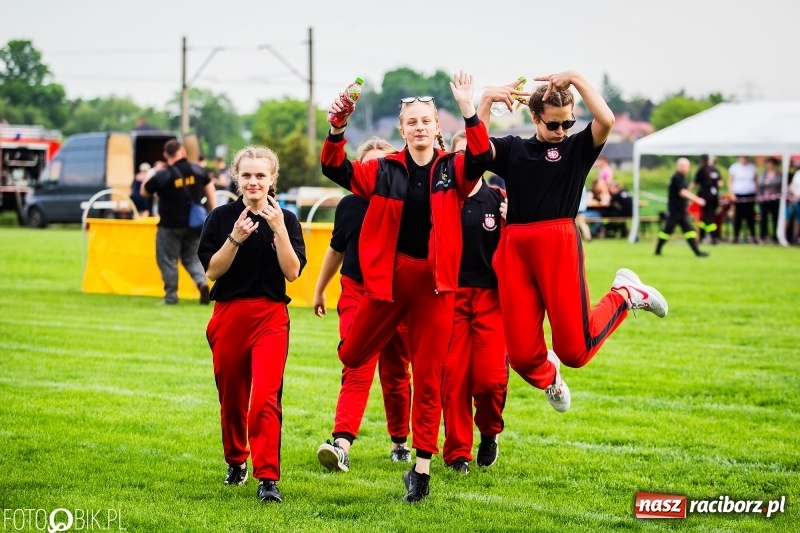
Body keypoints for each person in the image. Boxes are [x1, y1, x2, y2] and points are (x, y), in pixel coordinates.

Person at [320, 71, 491, 502]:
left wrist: (469, 108)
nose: (419, 126)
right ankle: (397, 449)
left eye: (426, 120)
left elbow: (482, 153)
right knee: (352, 353)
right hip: (389, 282)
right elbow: (334, 166)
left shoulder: (453, 169)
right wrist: (337, 126)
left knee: (429, 376)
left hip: (436, 286)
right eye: (411, 121)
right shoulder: (383, 171)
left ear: (438, 127)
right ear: (401, 129)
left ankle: (421, 467)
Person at [476, 71, 668, 413]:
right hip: (515, 245)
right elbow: (474, 156)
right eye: (553, 125)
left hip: (558, 241)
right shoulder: (513, 148)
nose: (561, 131)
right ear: (535, 118)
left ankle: (625, 295)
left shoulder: (577, 148)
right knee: (520, 355)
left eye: (568, 123)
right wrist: (486, 101)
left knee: (575, 352)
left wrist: (576, 78)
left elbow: (606, 119)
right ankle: (550, 378)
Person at [197, 145, 307, 503]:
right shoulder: (221, 217)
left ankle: (268, 478)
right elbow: (212, 271)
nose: (254, 181)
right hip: (229, 314)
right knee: (232, 399)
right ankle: (235, 460)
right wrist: (235, 239)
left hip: (270, 316)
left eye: (261, 175)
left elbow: (292, 273)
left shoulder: (286, 218)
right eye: (247, 175)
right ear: (237, 178)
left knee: (264, 399)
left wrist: (278, 230)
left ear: (272, 178)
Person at [314, 137, 413, 471]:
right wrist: (320, 288)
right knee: (356, 365)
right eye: (370, 165)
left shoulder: (411, 200)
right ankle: (340, 444)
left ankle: (400, 441)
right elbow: (336, 248)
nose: (378, 171)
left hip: (398, 296)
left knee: (397, 372)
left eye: (384, 164)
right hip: (358, 293)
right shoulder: (349, 205)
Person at [441, 130, 508, 475]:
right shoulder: (441, 199)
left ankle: (490, 431)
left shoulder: (499, 200)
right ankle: (457, 454)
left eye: (473, 153)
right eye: (460, 154)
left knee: (489, 381)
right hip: (449, 298)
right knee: (452, 379)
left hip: (490, 299)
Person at [141, 140, 216, 305]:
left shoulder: (163, 175)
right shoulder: (198, 170)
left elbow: (144, 191)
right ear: (182, 152)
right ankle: (201, 283)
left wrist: (152, 173)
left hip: (170, 225)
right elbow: (211, 191)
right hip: (195, 224)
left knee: (168, 259)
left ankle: (171, 296)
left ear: (165, 155)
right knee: (192, 258)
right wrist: (212, 214)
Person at [655, 158, 709, 257]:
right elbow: (683, 192)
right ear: (681, 166)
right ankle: (657, 250)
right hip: (675, 212)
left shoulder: (680, 178)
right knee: (667, 231)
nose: (688, 169)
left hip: (681, 211)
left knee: (689, 231)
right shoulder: (676, 178)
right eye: (687, 166)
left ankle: (697, 252)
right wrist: (697, 199)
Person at [728, 156, 759, 243]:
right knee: (738, 217)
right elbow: (730, 181)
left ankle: (753, 236)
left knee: (750, 217)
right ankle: (735, 236)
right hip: (738, 195)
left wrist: (756, 193)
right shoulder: (734, 167)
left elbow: (756, 181)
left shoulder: (752, 167)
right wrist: (732, 193)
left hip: (750, 195)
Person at [693, 154, 722, 244]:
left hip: (705, 197)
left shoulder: (701, 170)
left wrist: (687, 191)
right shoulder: (715, 170)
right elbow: (720, 183)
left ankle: (712, 236)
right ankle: (703, 236)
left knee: (706, 218)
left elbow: (695, 183)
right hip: (714, 197)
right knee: (708, 217)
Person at [758, 157, 782, 244]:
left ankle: (775, 237)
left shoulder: (778, 174)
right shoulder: (763, 174)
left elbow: (778, 183)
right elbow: (760, 184)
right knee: (763, 218)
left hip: (775, 199)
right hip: (764, 199)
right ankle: (762, 237)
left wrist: (768, 183)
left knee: (775, 218)